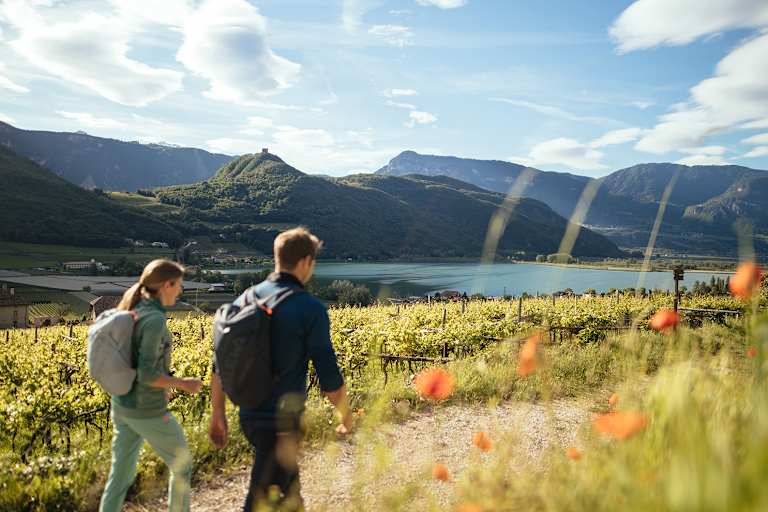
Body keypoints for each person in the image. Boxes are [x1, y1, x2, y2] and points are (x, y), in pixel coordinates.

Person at [208, 227, 352, 512]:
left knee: (288, 496)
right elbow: (328, 375)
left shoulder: (244, 300)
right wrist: (346, 415)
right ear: (306, 261)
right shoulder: (309, 308)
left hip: (248, 414)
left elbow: (218, 364)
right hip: (282, 424)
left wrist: (217, 414)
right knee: (261, 501)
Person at [100, 259, 203, 512]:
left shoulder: (134, 311)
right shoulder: (154, 320)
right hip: (146, 408)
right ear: (167, 285)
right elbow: (147, 374)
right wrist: (183, 383)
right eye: (178, 285)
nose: (180, 291)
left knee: (120, 476)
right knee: (182, 463)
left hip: (122, 404)